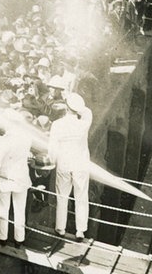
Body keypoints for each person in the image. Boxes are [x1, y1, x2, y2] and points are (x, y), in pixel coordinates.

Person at [48, 92, 92, 241]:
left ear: (66, 107)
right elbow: (87, 112)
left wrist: (52, 161)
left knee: (62, 196)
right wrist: (77, 106)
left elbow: (52, 148)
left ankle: (60, 228)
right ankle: (80, 230)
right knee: (81, 196)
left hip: (64, 163)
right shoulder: (84, 123)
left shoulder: (57, 125)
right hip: (81, 163)